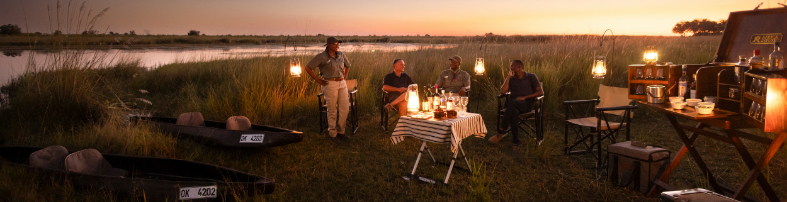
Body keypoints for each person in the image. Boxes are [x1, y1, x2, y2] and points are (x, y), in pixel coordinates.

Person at [488, 60, 543, 151]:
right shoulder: (512, 78)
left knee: (512, 102)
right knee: (514, 111)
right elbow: (503, 91)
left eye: (512, 66)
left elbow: (540, 92)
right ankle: (515, 142)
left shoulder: (531, 77)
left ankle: (501, 131)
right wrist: (508, 77)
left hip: (526, 105)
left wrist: (525, 97)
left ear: (519, 67)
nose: (511, 67)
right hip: (513, 106)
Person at [305, 37, 352, 143]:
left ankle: (341, 131)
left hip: (342, 83)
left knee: (345, 109)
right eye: (335, 44)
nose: (337, 46)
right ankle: (333, 134)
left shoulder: (341, 55)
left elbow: (348, 66)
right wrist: (318, 80)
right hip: (329, 83)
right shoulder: (321, 56)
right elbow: (308, 67)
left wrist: (345, 76)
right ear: (328, 45)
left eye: (338, 44)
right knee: (332, 110)